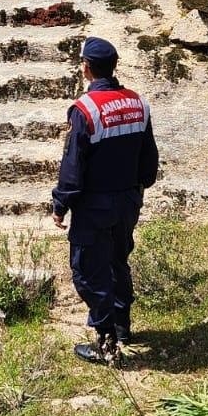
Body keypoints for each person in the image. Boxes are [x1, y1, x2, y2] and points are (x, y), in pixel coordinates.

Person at [52, 37, 159, 364]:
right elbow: (149, 157)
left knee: (87, 270)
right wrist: (138, 189)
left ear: (86, 68)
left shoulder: (85, 110)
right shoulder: (138, 103)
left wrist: (60, 204)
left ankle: (106, 341)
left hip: (94, 205)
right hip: (128, 200)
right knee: (117, 261)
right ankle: (122, 325)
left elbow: (73, 166)